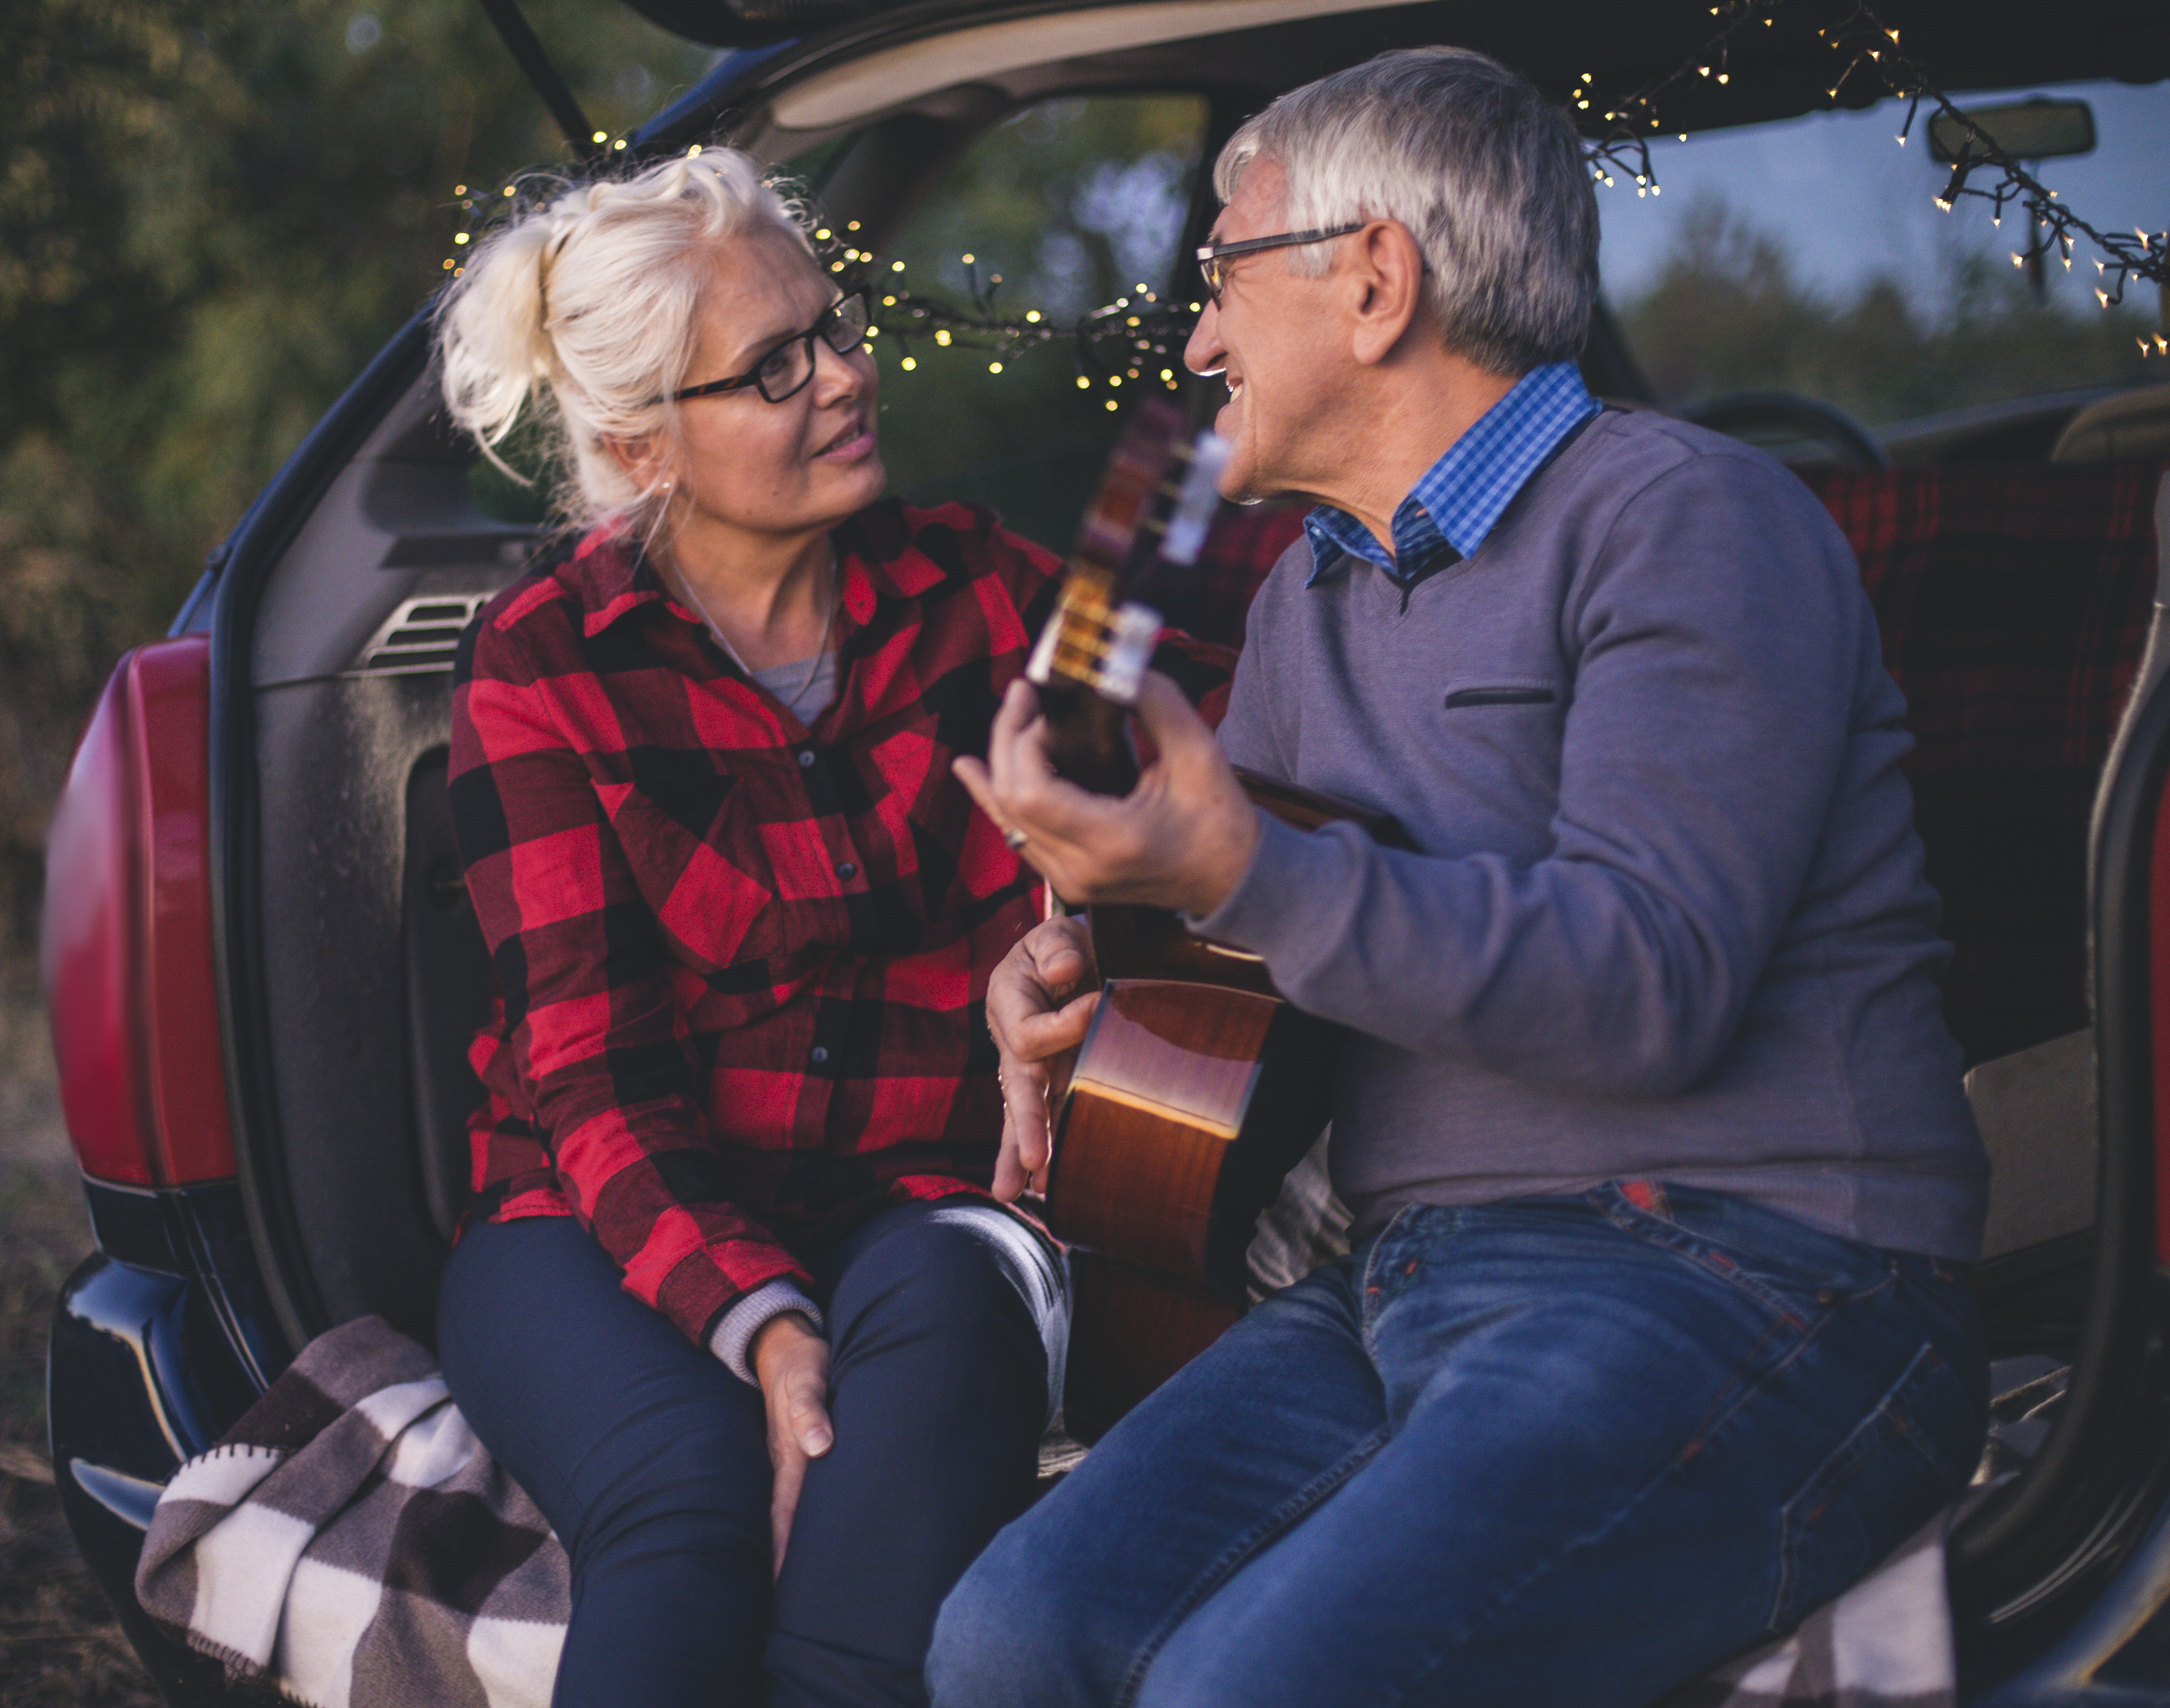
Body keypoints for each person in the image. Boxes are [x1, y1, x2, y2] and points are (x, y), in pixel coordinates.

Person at [929, 48, 1991, 1708]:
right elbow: (1258, 959)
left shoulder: (1693, 519)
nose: (1196, 334)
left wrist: (1249, 870)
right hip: (1407, 1276)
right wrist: (1085, 970)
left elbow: (1652, 987)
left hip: (1755, 1272)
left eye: (1223, 274)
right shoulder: (1304, 601)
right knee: (1003, 1643)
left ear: (1374, 283)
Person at [431, 149, 1069, 1708]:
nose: (849, 377)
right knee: (685, 1510)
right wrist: (763, 1323)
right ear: (646, 446)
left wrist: (1076, 935)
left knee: (879, 1518)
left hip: (918, 1197)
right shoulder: (541, 665)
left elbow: (1217, 679)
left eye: (834, 329)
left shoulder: (977, 583)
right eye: (777, 367)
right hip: (593, 1215)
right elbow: (585, 1073)